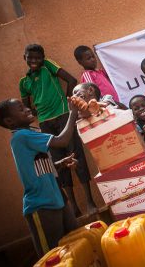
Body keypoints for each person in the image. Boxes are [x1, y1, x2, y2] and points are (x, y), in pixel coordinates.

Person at [0, 98, 80, 257]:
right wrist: (72, 113)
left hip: (58, 198)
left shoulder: (30, 133)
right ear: (10, 121)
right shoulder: (22, 136)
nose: (26, 109)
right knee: (53, 257)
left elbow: (37, 165)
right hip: (42, 205)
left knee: (75, 246)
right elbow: (62, 140)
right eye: (20, 108)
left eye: (24, 106)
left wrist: (59, 163)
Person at [19, 44, 97, 217]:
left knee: (77, 156)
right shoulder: (24, 82)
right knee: (60, 163)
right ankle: (74, 207)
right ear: (24, 58)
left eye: (38, 57)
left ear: (43, 57)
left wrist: (70, 103)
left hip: (63, 116)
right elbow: (27, 107)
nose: (34, 61)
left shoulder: (47, 65)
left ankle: (90, 201)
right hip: (45, 124)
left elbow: (71, 80)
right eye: (30, 57)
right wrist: (35, 114)